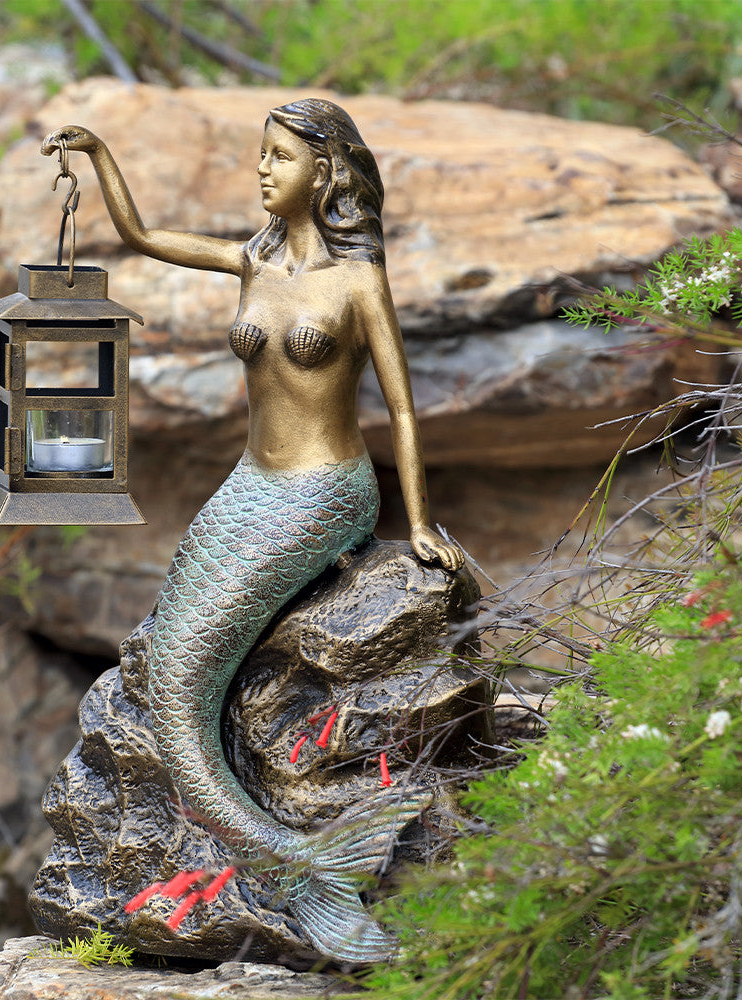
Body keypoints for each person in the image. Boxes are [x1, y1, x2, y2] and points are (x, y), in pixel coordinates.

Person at [41, 98, 463, 964]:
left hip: (323, 492)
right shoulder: (250, 262)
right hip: (248, 485)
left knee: (190, 669)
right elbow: (144, 236)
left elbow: (405, 411)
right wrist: (100, 154)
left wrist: (417, 523)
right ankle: (304, 868)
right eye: (259, 155)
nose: (262, 169)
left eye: (279, 156)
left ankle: (306, 874)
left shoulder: (356, 282)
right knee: (170, 681)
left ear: (328, 172)